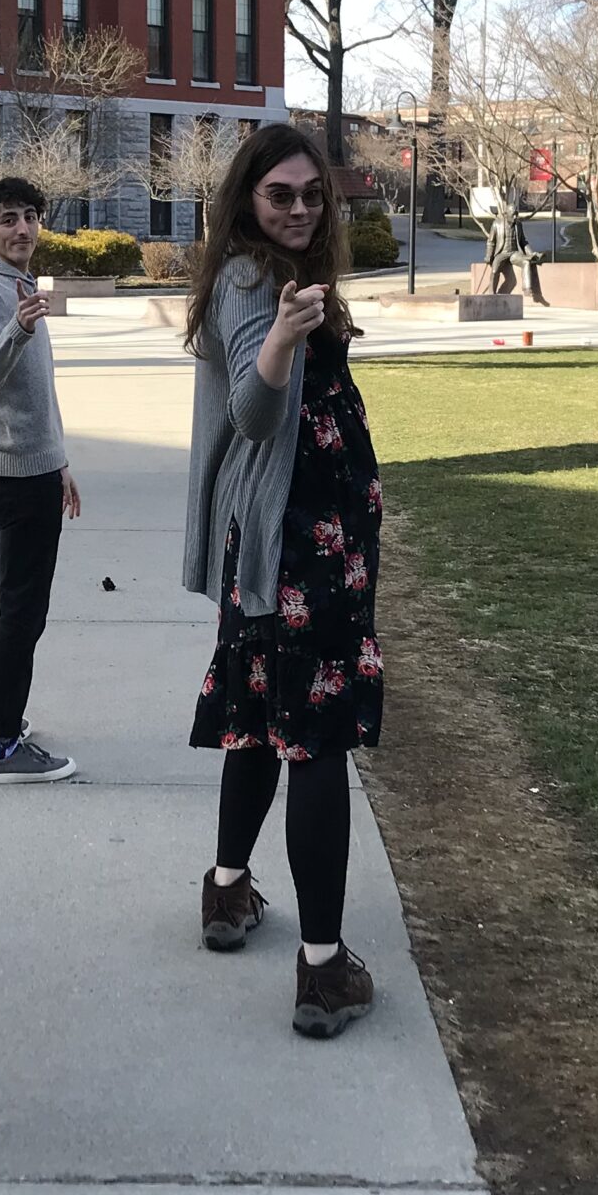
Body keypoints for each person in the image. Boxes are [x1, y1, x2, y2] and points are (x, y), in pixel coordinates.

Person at [183, 122, 384, 1041]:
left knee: (260, 720)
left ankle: (228, 891)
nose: (299, 209)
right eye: (280, 195)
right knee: (316, 742)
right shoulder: (250, 279)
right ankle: (323, 970)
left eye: (311, 194)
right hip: (297, 547)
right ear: (248, 200)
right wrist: (278, 343)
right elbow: (253, 413)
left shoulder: (278, 273)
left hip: (296, 542)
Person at [0, 175, 82, 784]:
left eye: (31, 215)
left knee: (2, 596)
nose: (23, 228)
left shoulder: (19, 284)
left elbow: (37, 394)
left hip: (26, 466)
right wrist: (18, 327)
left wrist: (59, 459)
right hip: (15, 474)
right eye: (8, 218)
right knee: (22, 609)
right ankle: (1, 744)